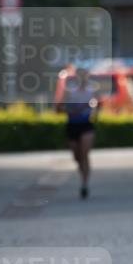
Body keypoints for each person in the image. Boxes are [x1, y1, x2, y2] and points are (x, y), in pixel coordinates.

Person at [55, 63, 99, 199]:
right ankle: (82, 173)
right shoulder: (69, 91)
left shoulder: (92, 90)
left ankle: (84, 184)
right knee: (77, 156)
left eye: (84, 74)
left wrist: (93, 110)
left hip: (86, 125)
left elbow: (96, 106)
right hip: (72, 124)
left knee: (84, 155)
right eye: (80, 75)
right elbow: (58, 108)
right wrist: (70, 109)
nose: (82, 77)